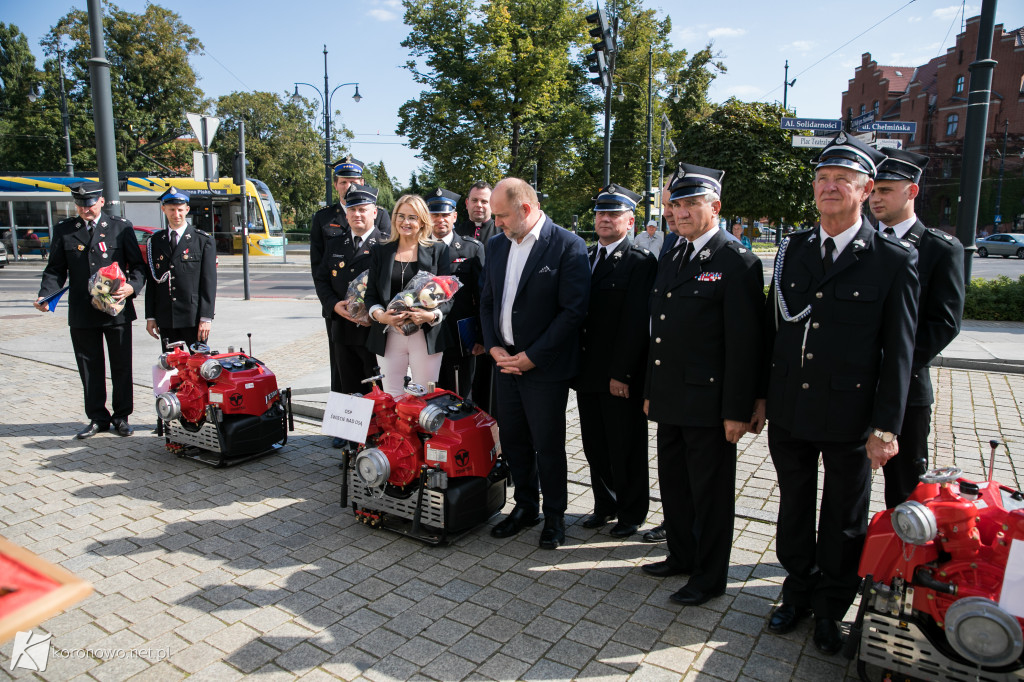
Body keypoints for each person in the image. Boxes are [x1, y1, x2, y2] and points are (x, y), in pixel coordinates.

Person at [761, 132, 919, 655]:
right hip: (790, 409)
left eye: (842, 182)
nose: (829, 188)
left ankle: (831, 607)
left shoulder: (893, 259)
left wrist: (887, 427)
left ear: (865, 188)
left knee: (843, 519)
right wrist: (759, 399)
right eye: (823, 180)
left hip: (852, 416)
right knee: (793, 508)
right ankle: (797, 592)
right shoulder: (794, 249)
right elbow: (773, 332)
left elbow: (899, 353)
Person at [641, 164, 765, 606]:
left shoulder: (736, 261)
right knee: (674, 484)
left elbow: (746, 344)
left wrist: (737, 409)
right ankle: (681, 554)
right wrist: (651, 388)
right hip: (671, 394)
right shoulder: (674, 253)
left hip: (710, 402)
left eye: (693, 203)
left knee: (709, 494)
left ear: (715, 206)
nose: (683, 211)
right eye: (677, 203)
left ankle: (710, 577)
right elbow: (659, 331)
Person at [479, 178, 590, 550]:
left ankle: (555, 517)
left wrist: (532, 357)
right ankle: (526, 506)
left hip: (543, 367)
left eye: (502, 216)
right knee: (513, 441)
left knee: (548, 444)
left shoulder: (567, 246)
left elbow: (573, 312)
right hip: (504, 361)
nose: (497, 223)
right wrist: (494, 347)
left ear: (526, 209)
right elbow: (488, 301)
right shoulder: (497, 245)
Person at [869, 148, 965, 507]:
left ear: (912, 192)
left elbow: (943, 322)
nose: (876, 198)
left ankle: (903, 558)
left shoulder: (940, 249)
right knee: (848, 477)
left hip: (906, 388)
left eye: (886, 190)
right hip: (853, 384)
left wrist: (892, 362)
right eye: (873, 190)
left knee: (905, 483)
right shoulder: (862, 243)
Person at [34, 181, 146, 438]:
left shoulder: (120, 227)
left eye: (90, 204)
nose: (86, 209)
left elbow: (138, 267)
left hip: (116, 308)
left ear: (102, 202)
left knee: (120, 365)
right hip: (83, 310)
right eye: (81, 205)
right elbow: (55, 269)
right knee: (89, 366)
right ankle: (97, 417)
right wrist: (45, 295)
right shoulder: (65, 230)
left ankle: (121, 416)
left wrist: (131, 287)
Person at [576, 184, 656, 539]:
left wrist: (622, 373)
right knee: (594, 444)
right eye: (600, 213)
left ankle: (631, 511)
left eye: (613, 214)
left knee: (625, 445)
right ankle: (604, 504)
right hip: (587, 371)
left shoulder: (640, 262)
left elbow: (636, 325)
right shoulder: (586, 257)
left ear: (630, 219)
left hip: (620, 375)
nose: (605, 219)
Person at [310, 157, 392, 395]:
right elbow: (320, 269)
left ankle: (374, 426)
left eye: (354, 181)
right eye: (344, 182)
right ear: (336, 185)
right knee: (342, 370)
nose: (349, 187)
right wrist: (332, 304)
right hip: (339, 310)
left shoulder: (380, 217)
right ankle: (345, 423)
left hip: (372, 317)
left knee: (375, 375)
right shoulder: (324, 217)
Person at [364, 194, 451, 398]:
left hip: (425, 334)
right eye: (401, 216)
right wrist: (380, 316)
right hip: (388, 334)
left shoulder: (438, 251)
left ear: (422, 221)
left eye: (412, 217)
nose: (406, 222)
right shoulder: (381, 251)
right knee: (393, 396)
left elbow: (448, 297)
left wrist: (431, 316)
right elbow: (371, 295)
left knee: (424, 398)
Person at [642, 181, 680, 544]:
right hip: (665, 376)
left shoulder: (730, 254)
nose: (668, 212)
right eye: (667, 205)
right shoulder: (671, 244)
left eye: (675, 204)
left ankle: (689, 534)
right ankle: (674, 524)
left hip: (700, 385)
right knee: (670, 464)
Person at [428, 187, 486, 399]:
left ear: (454, 216)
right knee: (430, 391)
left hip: (461, 335)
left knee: (462, 393)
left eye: (445, 214)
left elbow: (482, 296)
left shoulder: (472, 249)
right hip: (427, 334)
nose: (440, 220)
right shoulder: (418, 248)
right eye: (435, 215)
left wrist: (481, 335)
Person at [144, 188, 217, 352]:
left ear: (187, 210)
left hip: (193, 316)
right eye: (171, 209)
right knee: (171, 366)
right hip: (166, 316)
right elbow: (152, 282)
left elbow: (209, 283)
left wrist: (206, 317)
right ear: (163, 209)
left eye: (180, 210)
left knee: (198, 368)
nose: (176, 214)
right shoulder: (156, 241)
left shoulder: (203, 240)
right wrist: (151, 316)